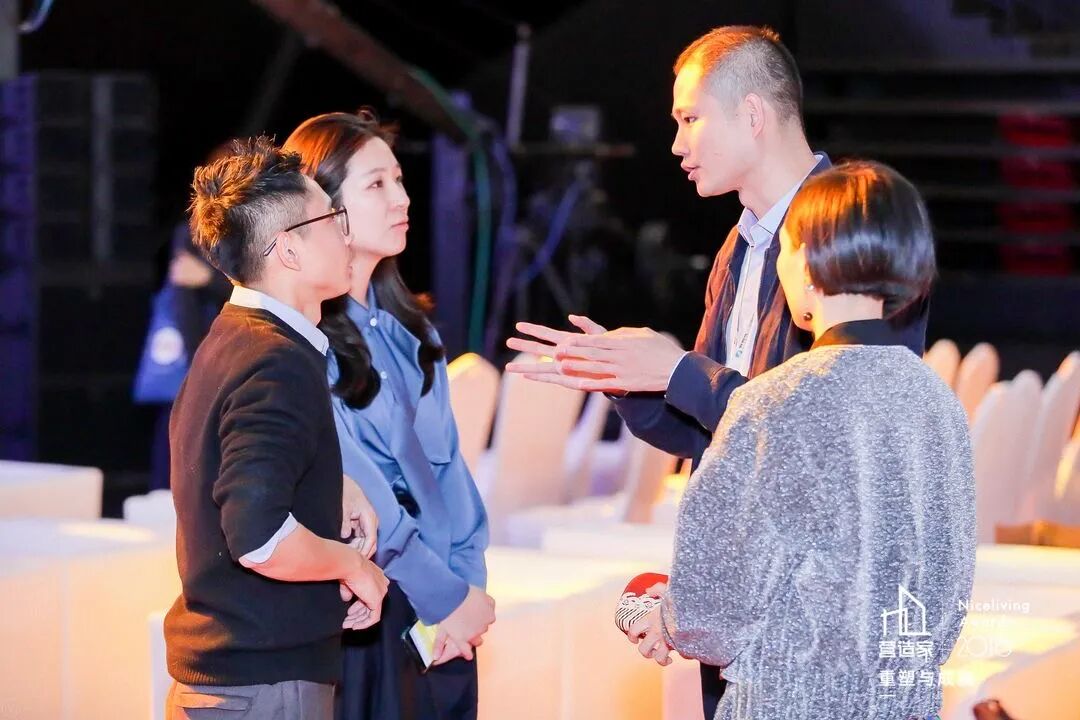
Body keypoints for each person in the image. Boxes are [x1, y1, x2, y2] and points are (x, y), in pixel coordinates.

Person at [505, 26, 929, 715]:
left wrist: (679, 370)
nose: (676, 144)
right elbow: (709, 436)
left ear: (752, 114)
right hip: (738, 603)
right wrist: (627, 377)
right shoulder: (740, 246)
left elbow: (832, 445)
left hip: (814, 625)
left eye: (690, 119)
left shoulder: (856, 232)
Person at [627, 161, 976, 720]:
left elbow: (714, 602)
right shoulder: (936, 401)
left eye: (785, 249)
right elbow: (948, 576)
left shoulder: (776, 400)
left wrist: (666, 618)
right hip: (904, 700)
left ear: (808, 264)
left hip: (790, 699)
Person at [164, 136, 389, 720]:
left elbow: (234, 469)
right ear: (288, 249)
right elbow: (259, 539)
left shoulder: (237, 336)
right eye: (333, 218)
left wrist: (332, 485)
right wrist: (352, 565)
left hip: (241, 681)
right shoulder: (276, 360)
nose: (346, 234)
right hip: (263, 689)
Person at [283, 110, 493, 720]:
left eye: (399, 180)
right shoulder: (305, 342)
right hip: (364, 605)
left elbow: (450, 471)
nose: (402, 198)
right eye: (377, 184)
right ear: (324, 207)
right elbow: (365, 495)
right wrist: (444, 596)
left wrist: (467, 586)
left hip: (442, 610)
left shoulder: (413, 331)